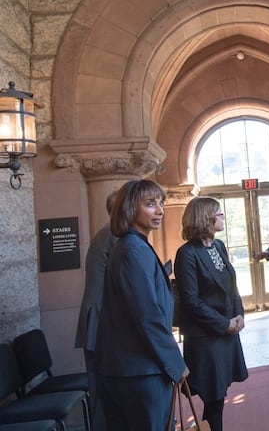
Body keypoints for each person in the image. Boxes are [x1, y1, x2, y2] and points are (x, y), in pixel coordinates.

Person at [93, 179, 189, 431]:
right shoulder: (132, 250)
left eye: (161, 203)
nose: (159, 211)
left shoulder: (133, 246)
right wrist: (175, 364)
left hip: (132, 369)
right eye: (150, 204)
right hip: (139, 371)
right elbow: (147, 316)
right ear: (128, 208)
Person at [174, 196, 249, 431]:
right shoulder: (187, 254)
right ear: (205, 217)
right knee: (213, 398)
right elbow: (191, 301)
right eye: (219, 213)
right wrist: (223, 323)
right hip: (206, 338)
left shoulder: (218, 246)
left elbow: (231, 284)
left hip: (226, 332)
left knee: (219, 396)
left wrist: (239, 315)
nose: (223, 216)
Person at [74, 189, 118, 431]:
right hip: (103, 325)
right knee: (106, 398)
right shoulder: (116, 236)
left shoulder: (108, 234)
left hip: (101, 322)